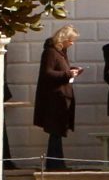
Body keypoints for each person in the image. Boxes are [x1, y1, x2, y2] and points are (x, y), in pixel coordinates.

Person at [34, 26, 79, 171]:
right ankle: (54, 165)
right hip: (54, 100)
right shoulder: (51, 53)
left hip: (60, 98)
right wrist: (68, 74)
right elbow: (47, 73)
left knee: (57, 133)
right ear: (64, 39)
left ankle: (57, 163)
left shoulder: (61, 53)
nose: (72, 43)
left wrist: (71, 71)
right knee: (55, 133)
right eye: (71, 40)